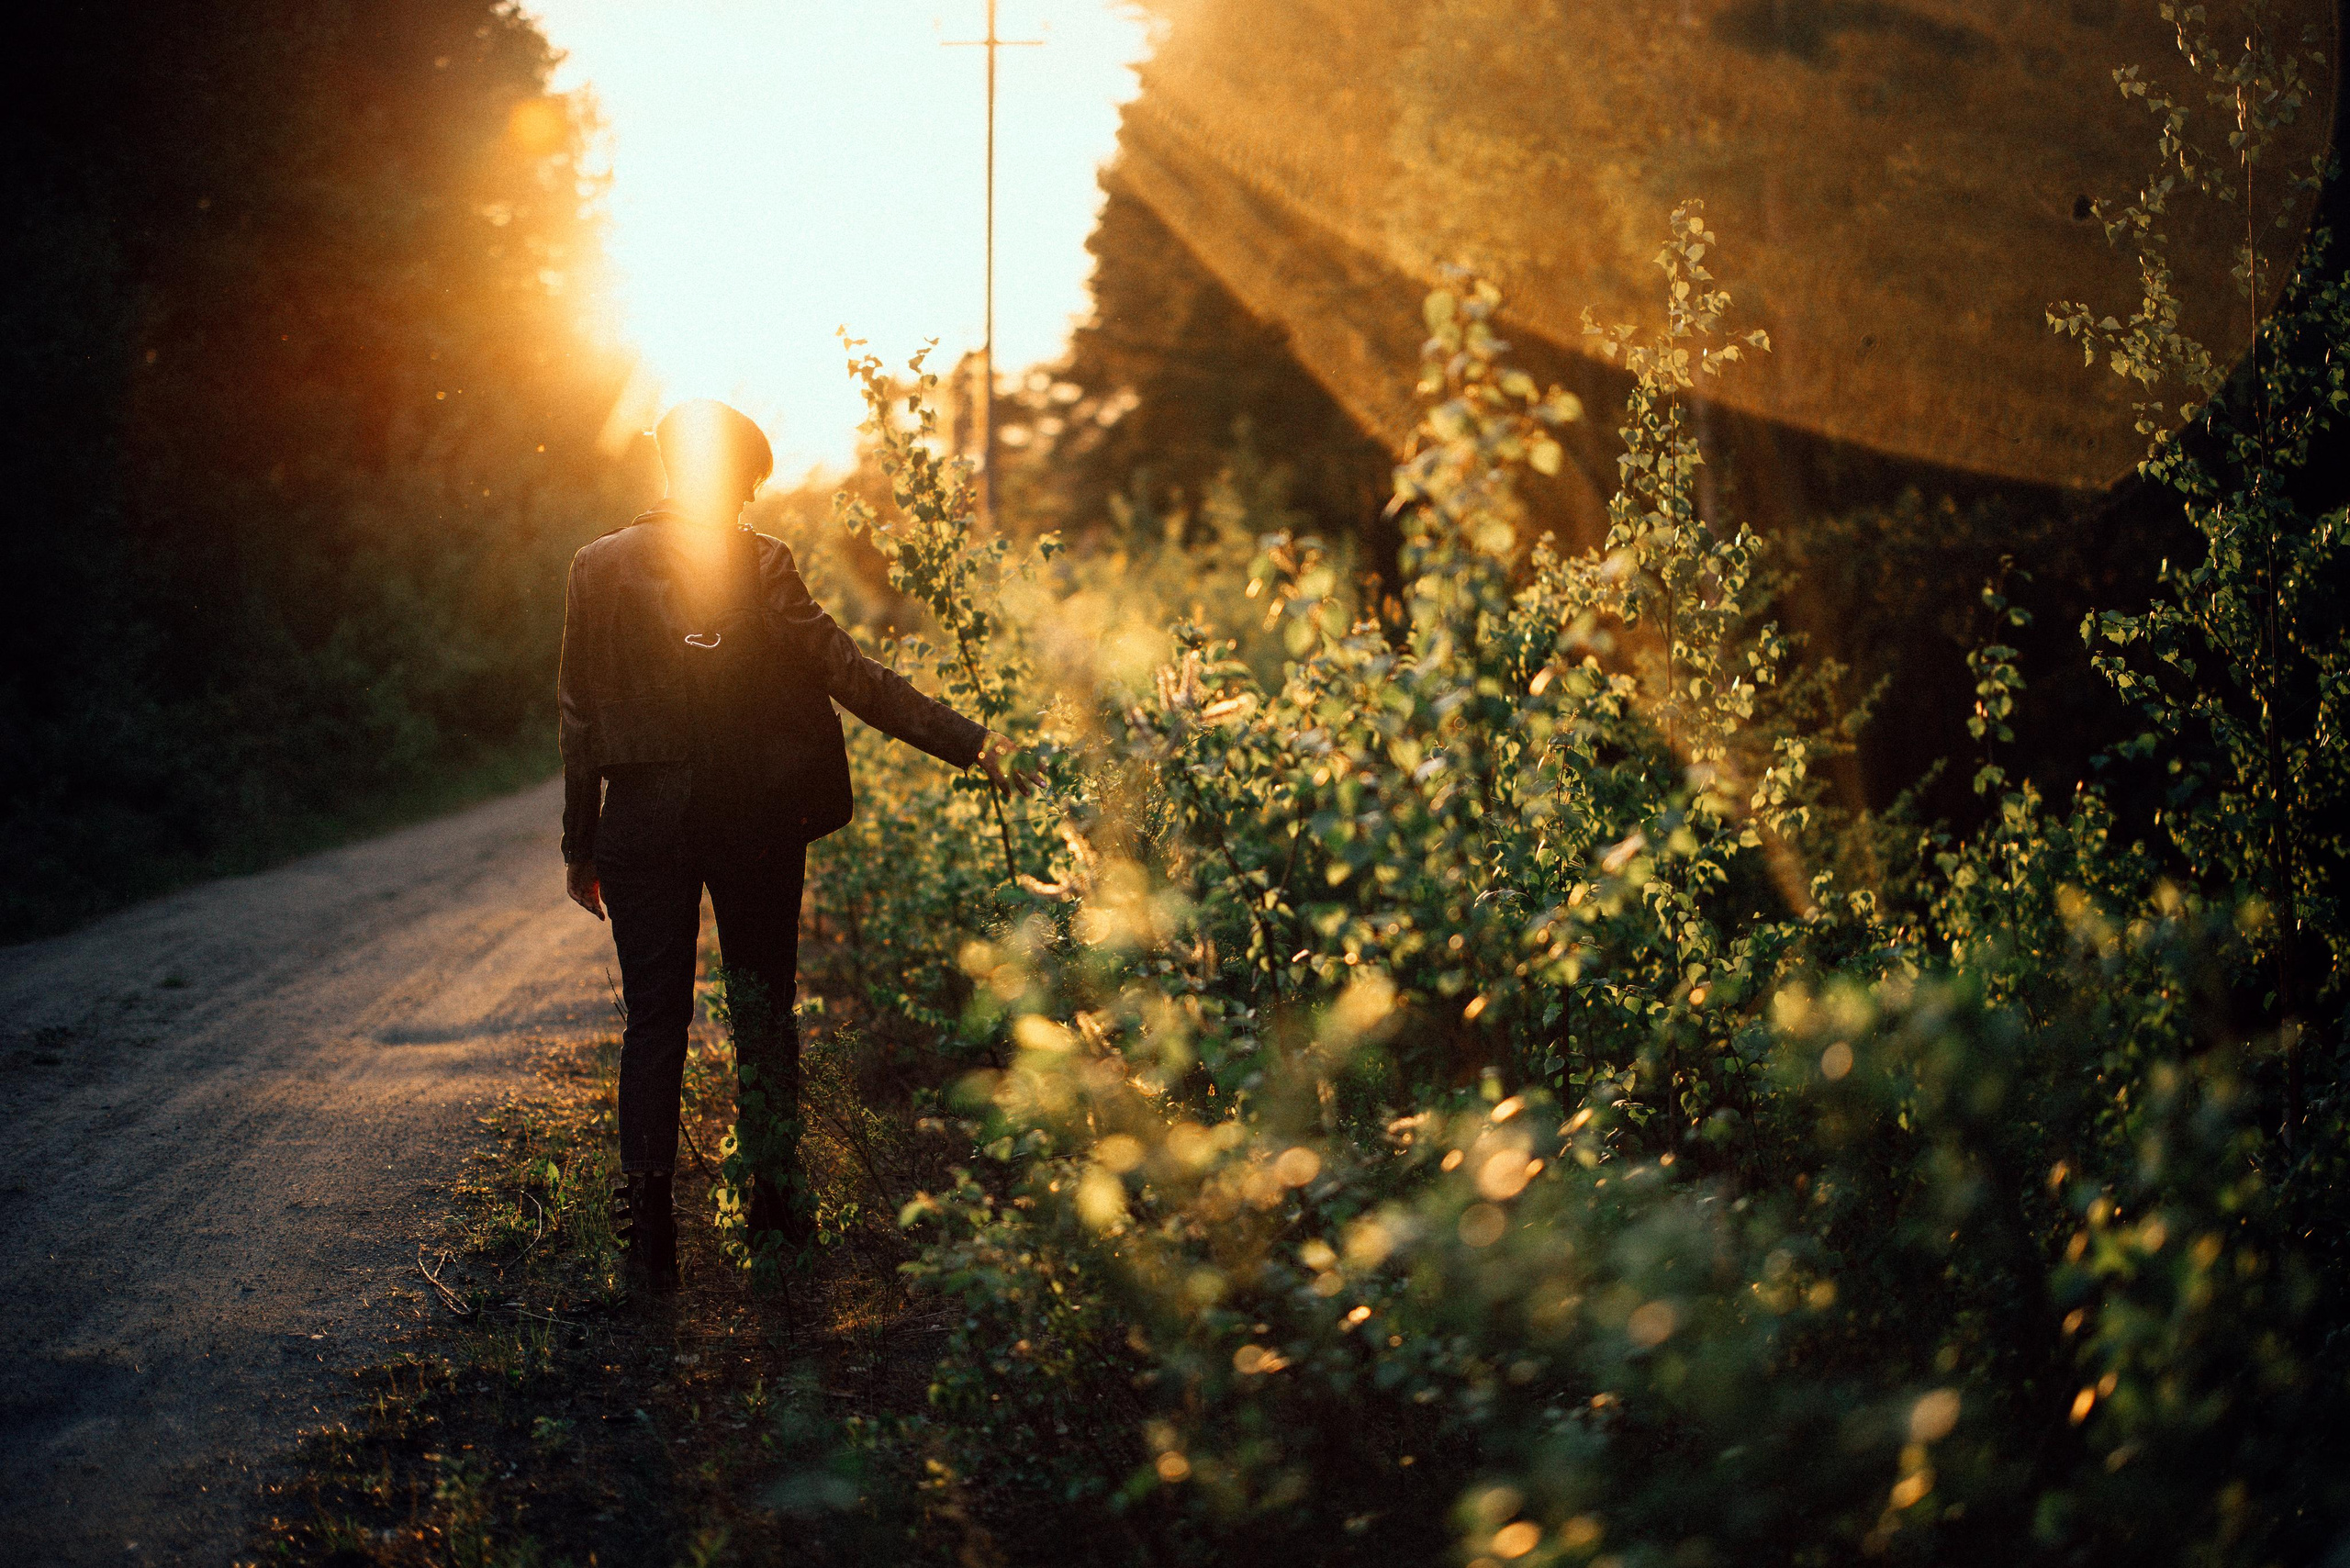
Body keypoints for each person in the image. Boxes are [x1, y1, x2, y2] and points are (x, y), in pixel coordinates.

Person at [557, 398, 1036, 1292]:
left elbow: (579, 718)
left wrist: (579, 844)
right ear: (728, 477)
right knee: (761, 1014)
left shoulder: (593, 566)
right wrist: (976, 745)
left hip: (641, 819)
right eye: (744, 485)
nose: (745, 503)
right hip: (753, 816)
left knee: (655, 1020)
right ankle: (774, 1209)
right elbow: (851, 675)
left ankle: (648, 1227)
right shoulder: (761, 562)